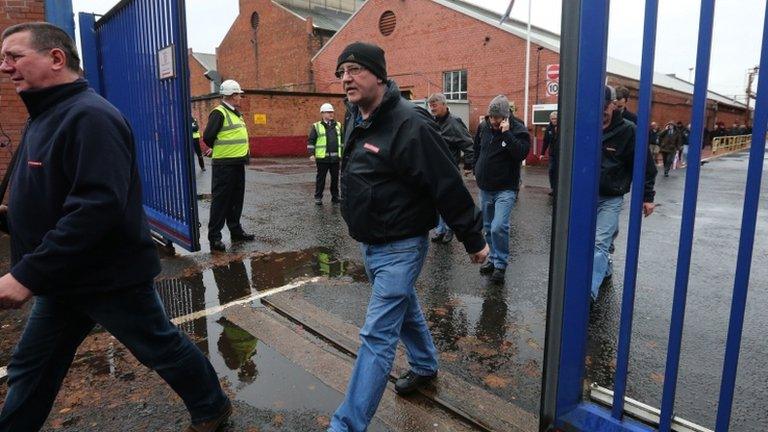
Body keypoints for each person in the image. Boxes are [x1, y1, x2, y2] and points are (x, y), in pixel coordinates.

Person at [0, 22, 231, 432]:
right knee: (31, 367)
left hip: (108, 276)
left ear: (56, 58)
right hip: (62, 276)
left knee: (158, 346)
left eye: (14, 56)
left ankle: (212, 406)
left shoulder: (90, 117)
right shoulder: (43, 117)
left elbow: (97, 206)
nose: (5, 67)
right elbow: (41, 196)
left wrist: (26, 274)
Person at [329, 41, 489, 432]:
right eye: (342, 72)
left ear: (379, 75)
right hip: (371, 241)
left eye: (355, 70)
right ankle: (424, 364)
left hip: (400, 245)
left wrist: (473, 239)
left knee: (377, 337)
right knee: (406, 308)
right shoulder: (355, 114)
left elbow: (447, 184)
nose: (346, 78)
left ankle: (346, 426)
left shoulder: (410, 124)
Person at [591, 86, 657, 302]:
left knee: (599, 241)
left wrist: (647, 197)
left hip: (611, 196)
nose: (601, 116)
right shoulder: (587, 125)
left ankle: (588, 294)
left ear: (613, 105)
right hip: (585, 195)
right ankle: (606, 264)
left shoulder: (629, 130)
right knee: (600, 239)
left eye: (604, 110)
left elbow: (645, 165)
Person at [473, 95, 531, 284]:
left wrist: (507, 135)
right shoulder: (483, 127)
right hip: (485, 187)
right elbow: (477, 149)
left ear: (506, 117)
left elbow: (521, 153)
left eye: (497, 118)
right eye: (491, 117)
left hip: (505, 188)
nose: (493, 121)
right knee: (489, 228)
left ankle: (501, 265)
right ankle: (493, 259)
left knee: (499, 226)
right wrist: (476, 168)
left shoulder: (518, 129)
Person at [203, 78, 254, 252]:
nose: (240, 97)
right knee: (221, 201)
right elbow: (208, 136)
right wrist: (216, 148)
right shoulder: (219, 113)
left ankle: (236, 230)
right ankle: (215, 238)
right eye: (239, 95)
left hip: (237, 163)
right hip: (224, 165)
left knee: (236, 200)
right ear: (232, 96)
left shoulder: (234, 113)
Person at [426, 92, 474, 244]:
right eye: (431, 106)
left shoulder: (454, 123)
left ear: (444, 105)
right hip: (435, 170)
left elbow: (468, 144)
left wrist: (468, 164)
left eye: (435, 106)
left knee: (450, 203)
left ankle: (449, 229)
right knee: (438, 203)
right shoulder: (433, 122)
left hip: (449, 171)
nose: (432, 109)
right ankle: (440, 230)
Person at [308, 102, 342, 205]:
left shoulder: (338, 125)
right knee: (321, 179)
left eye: (332, 112)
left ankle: (335, 197)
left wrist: (344, 154)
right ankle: (318, 197)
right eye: (328, 112)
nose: (331, 114)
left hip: (335, 158)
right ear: (322, 113)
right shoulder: (317, 126)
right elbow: (311, 141)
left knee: (335, 179)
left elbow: (343, 142)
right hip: (322, 158)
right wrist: (311, 154)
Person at [541, 110, 559, 196]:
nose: (554, 120)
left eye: (556, 118)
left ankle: (560, 188)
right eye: (552, 119)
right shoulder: (548, 128)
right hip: (552, 154)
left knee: (560, 171)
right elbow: (545, 141)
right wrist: (542, 153)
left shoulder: (562, 127)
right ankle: (553, 188)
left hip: (561, 155)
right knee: (551, 170)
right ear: (550, 119)